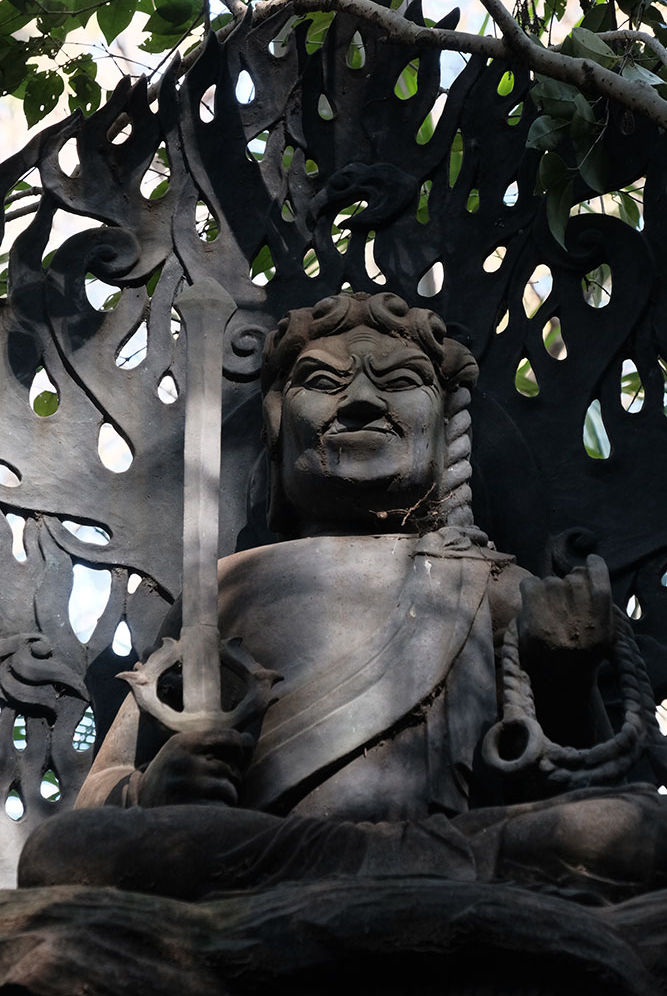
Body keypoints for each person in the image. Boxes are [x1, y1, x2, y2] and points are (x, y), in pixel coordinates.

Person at [18, 292, 667, 904]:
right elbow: (103, 795)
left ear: (447, 430)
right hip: (268, 845)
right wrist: (152, 790)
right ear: (278, 426)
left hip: (434, 840)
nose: (358, 402)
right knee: (61, 848)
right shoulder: (227, 586)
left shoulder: (494, 584)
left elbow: (591, 781)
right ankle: (402, 885)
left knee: (638, 829)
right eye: (323, 383)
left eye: (400, 381)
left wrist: (562, 678)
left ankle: (379, 880)